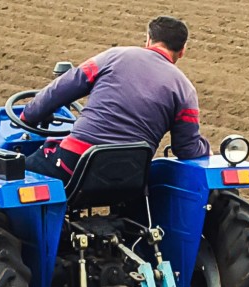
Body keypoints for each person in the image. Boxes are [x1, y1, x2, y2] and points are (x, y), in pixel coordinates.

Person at [20, 16, 208, 184]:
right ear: (182, 50)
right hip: (131, 174)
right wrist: (207, 150)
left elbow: (60, 89)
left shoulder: (114, 56)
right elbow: (187, 149)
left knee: (13, 173)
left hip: (76, 162)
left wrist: (29, 115)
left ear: (148, 40)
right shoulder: (185, 89)